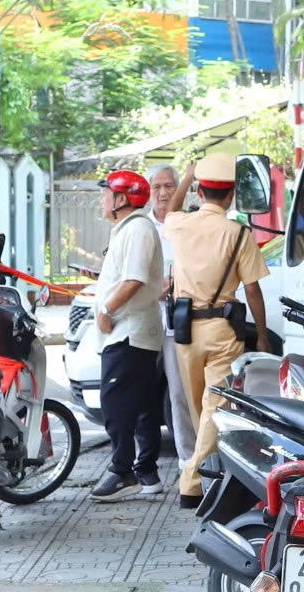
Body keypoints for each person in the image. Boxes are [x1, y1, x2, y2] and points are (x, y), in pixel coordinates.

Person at [167, 153, 270, 504]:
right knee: (215, 407)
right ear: (230, 197)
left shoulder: (179, 225)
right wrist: (264, 335)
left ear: (200, 191)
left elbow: (170, 209)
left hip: (184, 331)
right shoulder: (238, 234)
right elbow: (253, 289)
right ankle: (194, 476)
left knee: (203, 408)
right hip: (223, 331)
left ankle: (197, 476)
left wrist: (187, 175)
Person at [89, 168, 167, 500]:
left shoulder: (137, 230)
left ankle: (122, 471)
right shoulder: (129, 230)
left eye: (107, 193)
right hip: (132, 332)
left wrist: (106, 312)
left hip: (128, 332)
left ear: (121, 199)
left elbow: (133, 280)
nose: (103, 199)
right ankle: (147, 472)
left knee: (116, 402)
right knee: (142, 403)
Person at [146, 163, 188, 450]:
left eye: (168, 186)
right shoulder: (139, 226)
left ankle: (188, 459)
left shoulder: (188, 224)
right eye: (156, 187)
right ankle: (141, 463)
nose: (162, 193)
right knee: (141, 394)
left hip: (177, 322)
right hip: (145, 321)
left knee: (179, 395)